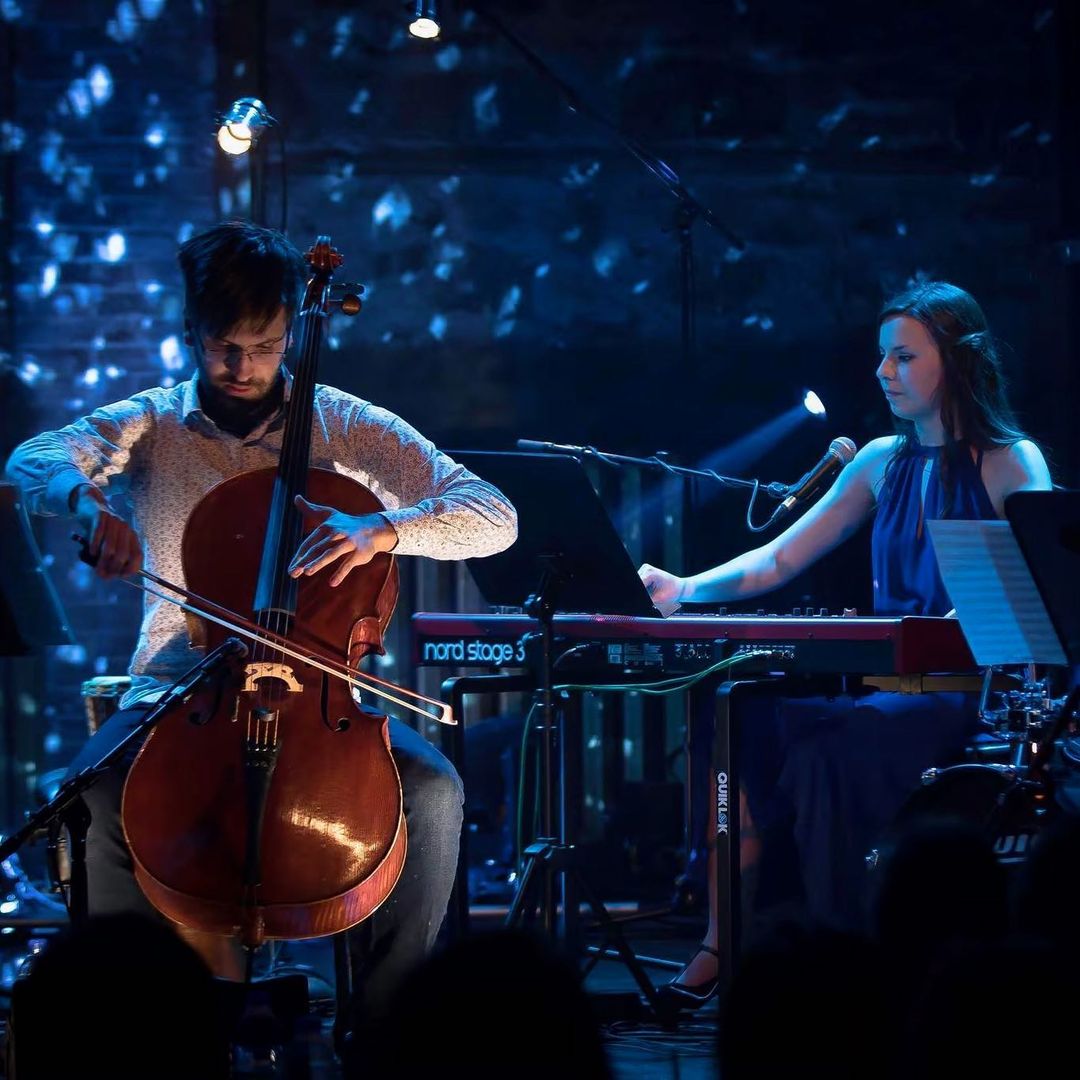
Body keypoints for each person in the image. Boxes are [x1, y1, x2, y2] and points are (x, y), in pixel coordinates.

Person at [4, 220, 518, 1024]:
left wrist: (383, 529)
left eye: (265, 346)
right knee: (91, 798)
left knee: (434, 793)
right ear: (189, 332)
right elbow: (31, 459)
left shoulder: (344, 424)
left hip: (320, 697)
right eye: (221, 347)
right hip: (179, 687)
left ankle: (384, 1031)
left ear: (290, 335)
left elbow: (494, 515)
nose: (241, 368)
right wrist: (86, 502)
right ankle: (140, 1029)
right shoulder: (153, 425)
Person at [638, 281, 1051, 1008]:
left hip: (963, 704)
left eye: (903, 357)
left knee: (832, 750)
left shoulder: (1011, 462)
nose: (883, 373)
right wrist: (685, 587)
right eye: (881, 358)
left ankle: (845, 962)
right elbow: (777, 561)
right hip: (885, 696)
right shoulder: (880, 461)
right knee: (737, 723)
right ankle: (723, 937)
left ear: (956, 362)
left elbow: (1025, 594)